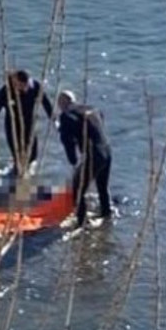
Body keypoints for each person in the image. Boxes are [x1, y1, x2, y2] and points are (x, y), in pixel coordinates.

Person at [56, 90, 113, 227]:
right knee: (102, 186)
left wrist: (74, 161)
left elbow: (67, 141)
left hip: (93, 155)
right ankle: (106, 213)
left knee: (78, 189)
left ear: (61, 103)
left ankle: (80, 223)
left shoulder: (66, 116)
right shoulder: (92, 109)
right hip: (107, 151)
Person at [0, 69, 54, 173]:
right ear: (15, 82)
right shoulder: (6, 91)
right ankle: (16, 179)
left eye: (26, 86)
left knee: (32, 155)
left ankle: (27, 178)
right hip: (13, 126)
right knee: (18, 156)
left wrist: (53, 119)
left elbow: (45, 102)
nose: (25, 89)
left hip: (29, 124)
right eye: (21, 86)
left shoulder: (34, 86)